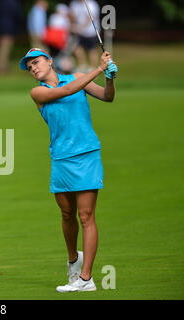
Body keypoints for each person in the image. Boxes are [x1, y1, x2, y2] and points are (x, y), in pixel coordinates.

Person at [19, 48, 117, 292]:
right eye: (29, 66)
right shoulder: (38, 92)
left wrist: (110, 78)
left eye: (36, 62)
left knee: (86, 216)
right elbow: (66, 91)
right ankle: (74, 258)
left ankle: (85, 279)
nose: (33, 67)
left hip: (87, 155)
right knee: (66, 214)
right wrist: (99, 69)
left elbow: (107, 96)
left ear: (50, 61)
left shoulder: (77, 77)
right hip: (61, 158)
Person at [69, 0, 100, 72]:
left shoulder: (91, 4)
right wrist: (72, 25)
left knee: (91, 50)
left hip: (91, 31)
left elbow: (89, 19)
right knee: (76, 48)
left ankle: (93, 69)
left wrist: (80, 28)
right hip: (79, 31)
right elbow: (72, 15)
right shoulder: (74, 3)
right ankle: (82, 66)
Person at [0, 0, 24, 74]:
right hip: (10, 28)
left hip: (0, 28)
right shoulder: (14, 3)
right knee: (5, 48)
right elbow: (18, 16)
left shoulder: (0, 3)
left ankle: (0, 66)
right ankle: (2, 68)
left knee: (1, 47)